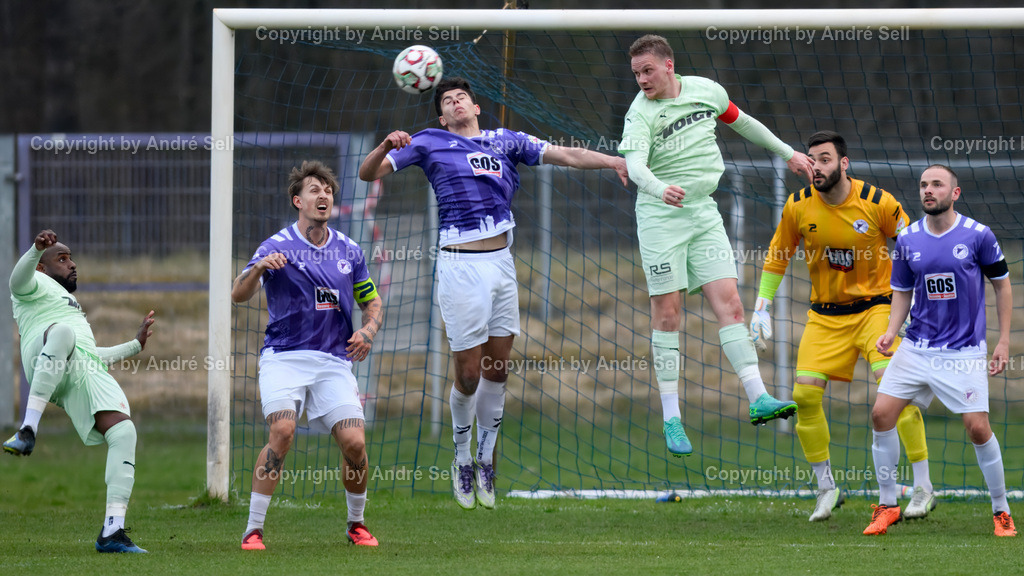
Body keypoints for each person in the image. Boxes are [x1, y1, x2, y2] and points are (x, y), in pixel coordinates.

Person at [359, 76, 628, 510]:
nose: (455, 102)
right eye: (447, 101)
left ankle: (485, 458)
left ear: (476, 107)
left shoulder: (507, 140)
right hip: (460, 265)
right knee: (467, 375)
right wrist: (385, 145)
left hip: (502, 263)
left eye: (461, 97)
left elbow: (567, 154)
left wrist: (613, 160)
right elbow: (366, 174)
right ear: (441, 116)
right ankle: (461, 457)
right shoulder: (429, 142)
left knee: (497, 371)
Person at [619, 34, 814, 457]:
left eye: (648, 70)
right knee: (668, 316)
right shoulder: (640, 113)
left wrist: (788, 153)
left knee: (732, 307)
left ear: (669, 66)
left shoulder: (706, 90)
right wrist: (658, 187)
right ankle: (672, 418)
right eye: (636, 74)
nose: (642, 80)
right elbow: (634, 165)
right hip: (659, 217)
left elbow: (742, 121)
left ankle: (759, 397)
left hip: (703, 213)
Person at [750, 131, 933, 522]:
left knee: (894, 393)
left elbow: (914, 248)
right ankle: (827, 488)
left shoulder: (877, 202)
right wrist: (761, 306)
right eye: (812, 159)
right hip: (825, 316)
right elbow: (778, 255)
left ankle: (923, 488)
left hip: (876, 309)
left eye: (826, 159)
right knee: (805, 396)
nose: (817, 167)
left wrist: (917, 302)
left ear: (844, 163)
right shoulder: (798, 205)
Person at [232, 160, 384, 549]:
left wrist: (367, 331)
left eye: (328, 190)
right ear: (297, 200)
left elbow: (372, 302)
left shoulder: (349, 250)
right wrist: (259, 267)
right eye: (314, 190)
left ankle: (356, 525)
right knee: (282, 431)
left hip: (333, 361)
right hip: (284, 357)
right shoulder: (276, 246)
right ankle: (253, 529)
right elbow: (238, 293)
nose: (323, 195)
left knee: (355, 444)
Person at [864, 164, 1015, 537]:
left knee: (977, 428)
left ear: (955, 193)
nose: (928, 190)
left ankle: (1001, 510)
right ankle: (886, 506)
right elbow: (901, 291)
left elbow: (1003, 285)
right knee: (881, 415)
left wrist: (1004, 340)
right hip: (917, 347)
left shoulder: (978, 235)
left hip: (963, 352)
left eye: (936, 184)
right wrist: (890, 331)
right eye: (923, 185)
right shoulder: (908, 239)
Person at [4, 230, 155, 553]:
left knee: (124, 432)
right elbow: (15, 282)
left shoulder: (71, 306)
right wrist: (35, 249)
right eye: (62, 258)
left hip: (78, 369)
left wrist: (134, 345)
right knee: (62, 333)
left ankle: (112, 530)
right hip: (40, 352)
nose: (72, 264)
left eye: (71, 258)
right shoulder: (33, 283)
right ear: (42, 267)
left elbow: (90, 355)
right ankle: (28, 428)